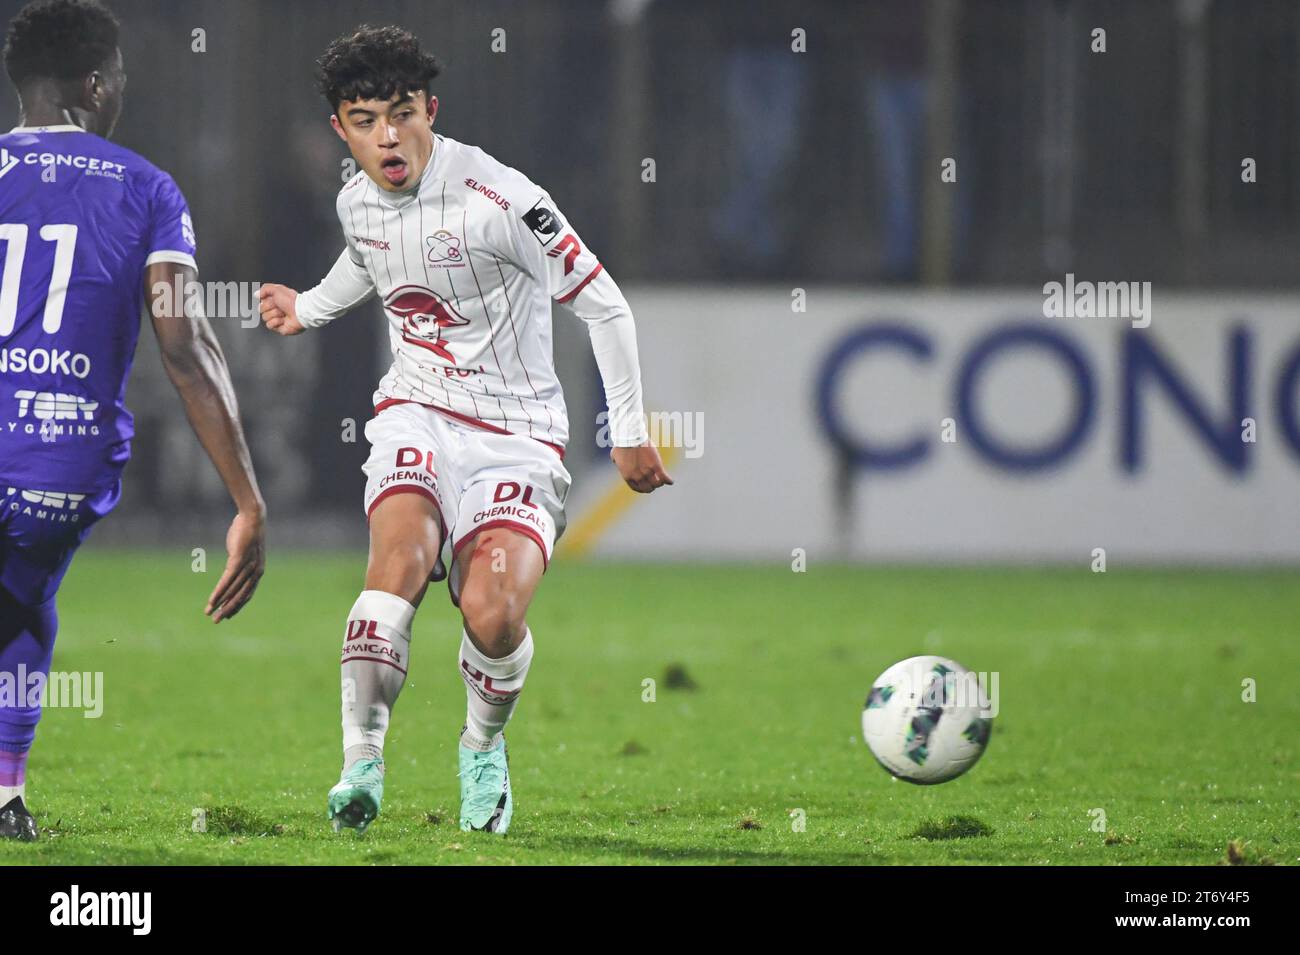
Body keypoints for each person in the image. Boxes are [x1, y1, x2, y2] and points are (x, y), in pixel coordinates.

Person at [258, 24, 671, 835]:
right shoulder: (355, 198)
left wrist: (627, 428)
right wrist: (306, 308)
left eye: (402, 114)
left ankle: (481, 744)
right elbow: (365, 256)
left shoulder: (500, 200)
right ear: (341, 129)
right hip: (415, 412)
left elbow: (604, 303)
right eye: (364, 119)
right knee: (396, 573)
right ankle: (361, 764)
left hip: (516, 435)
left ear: (430, 111)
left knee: (494, 613)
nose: (387, 136)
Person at [0, 0, 266, 841]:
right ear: (91, 85)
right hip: (63, 464)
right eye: (116, 78)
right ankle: (5, 795)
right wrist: (248, 501)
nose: (121, 92)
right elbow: (184, 345)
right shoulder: (148, 188)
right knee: (23, 592)